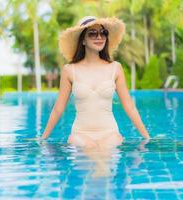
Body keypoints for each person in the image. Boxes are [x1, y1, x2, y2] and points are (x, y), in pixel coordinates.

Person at [40, 16, 150, 148]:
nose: (99, 37)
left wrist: (147, 138)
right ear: (83, 40)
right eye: (92, 34)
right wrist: (42, 139)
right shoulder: (69, 70)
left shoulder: (115, 68)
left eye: (103, 33)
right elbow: (58, 109)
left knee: (105, 150)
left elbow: (129, 107)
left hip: (110, 134)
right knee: (88, 149)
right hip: (80, 134)